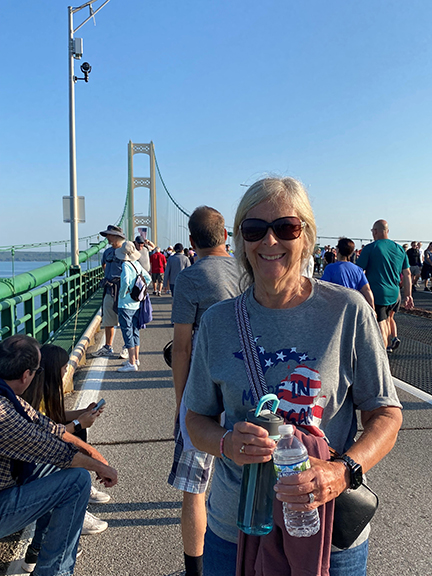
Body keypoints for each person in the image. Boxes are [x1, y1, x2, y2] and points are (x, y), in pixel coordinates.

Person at [184, 177, 402, 576]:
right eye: (255, 230)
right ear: (241, 241)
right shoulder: (218, 323)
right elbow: (195, 420)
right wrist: (229, 442)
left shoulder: (347, 311)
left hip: (325, 530)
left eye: (286, 227)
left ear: (307, 237)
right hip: (235, 530)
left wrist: (343, 471)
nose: (269, 242)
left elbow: (386, 414)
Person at [0, 335, 118, 576]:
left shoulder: (6, 396)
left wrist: (93, 454)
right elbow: (53, 449)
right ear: (26, 375)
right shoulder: (3, 413)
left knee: (57, 470)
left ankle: (41, 548)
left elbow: (45, 425)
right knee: (76, 482)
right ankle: (53, 570)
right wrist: (101, 467)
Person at [168, 206, 241, 576]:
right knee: (246, 478)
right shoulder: (247, 270)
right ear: (225, 236)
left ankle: (195, 572)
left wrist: (184, 405)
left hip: (205, 392)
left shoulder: (190, 277)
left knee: (195, 488)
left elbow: (181, 347)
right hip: (245, 390)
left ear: (192, 241)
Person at [356, 220, 414, 350]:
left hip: (378, 293)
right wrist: (408, 295)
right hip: (395, 293)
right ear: (387, 231)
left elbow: (358, 271)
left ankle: (381, 356)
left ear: (375, 231)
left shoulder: (371, 248)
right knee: (387, 320)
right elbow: (407, 274)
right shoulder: (399, 249)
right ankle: (388, 347)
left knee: (380, 324)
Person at [116, 240, 152, 372]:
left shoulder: (126, 264)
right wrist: (140, 292)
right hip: (137, 303)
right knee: (135, 330)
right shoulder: (137, 264)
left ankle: (131, 363)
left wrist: (123, 292)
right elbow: (148, 278)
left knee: (127, 332)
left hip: (125, 304)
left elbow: (125, 280)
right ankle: (136, 358)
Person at [94, 224, 126, 357]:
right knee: (108, 319)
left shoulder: (126, 250)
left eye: (109, 235)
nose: (107, 238)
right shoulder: (107, 252)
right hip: (109, 288)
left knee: (125, 319)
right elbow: (103, 264)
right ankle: (108, 346)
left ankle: (127, 346)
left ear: (116, 237)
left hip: (123, 289)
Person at [321, 237, 375, 309]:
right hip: (353, 307)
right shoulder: (358, 270)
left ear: (338, 250)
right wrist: (372, 309)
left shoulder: (330, 268)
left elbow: (322, 288)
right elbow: (367, 290)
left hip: (336, 307)